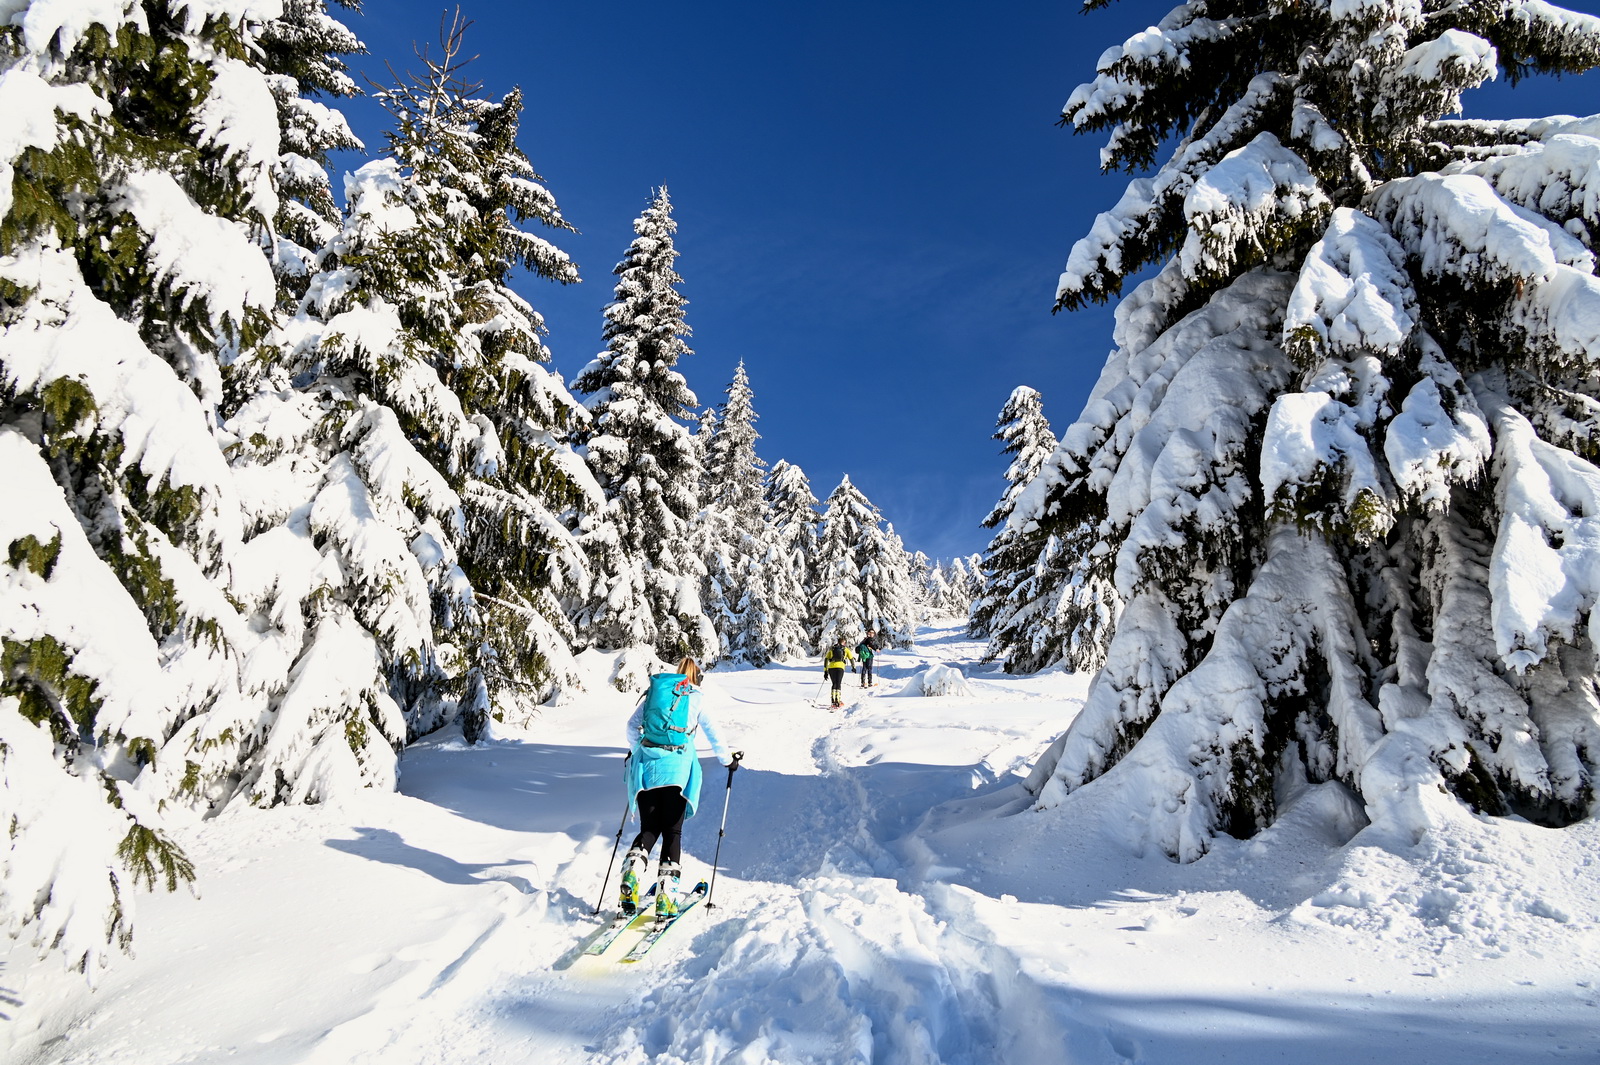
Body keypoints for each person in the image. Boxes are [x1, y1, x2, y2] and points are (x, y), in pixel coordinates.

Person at [621, 657, 740, 919]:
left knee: (649, 829)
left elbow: (631, 726)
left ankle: (632, 870)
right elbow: (715, 735)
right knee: (672, 832)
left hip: (647, 769)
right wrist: (728, 761)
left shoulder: (656, 694)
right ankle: (666, 897)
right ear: (697, 677)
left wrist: (637, 749)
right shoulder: (696, 698)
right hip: (678, 771)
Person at [822, 636, 854, 707]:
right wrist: (853, 667)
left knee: (834, 683)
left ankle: (833, 701)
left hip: (831, 668)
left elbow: (826, 659)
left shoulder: (832, 649)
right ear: (844, 643)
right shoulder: (845, 649)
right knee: (838, 683)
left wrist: (825, 671)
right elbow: (851, 658)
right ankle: (838, 700)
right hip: (840, 667)